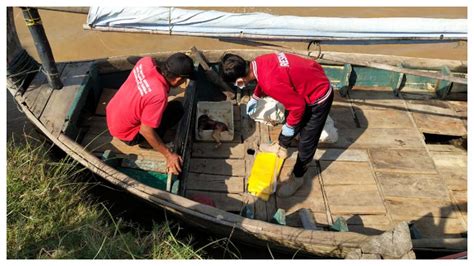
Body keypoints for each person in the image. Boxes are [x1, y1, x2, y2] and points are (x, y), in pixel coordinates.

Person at [220, 52, 333, 197]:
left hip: (319, 97)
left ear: (240, 81)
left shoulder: (270, 83)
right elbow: (263, 78)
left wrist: (290, 126)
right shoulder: (259, 60)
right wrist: (256, 96)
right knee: (292, 120)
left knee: (306, 140)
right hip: (309, 81)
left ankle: (298, 177)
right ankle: (281, 147)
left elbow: (298, 106)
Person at [106, 53, 197, 175]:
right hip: (127, 134)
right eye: (184, 80)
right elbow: (146, 130)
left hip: (111, 114)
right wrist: (169, 155)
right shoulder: (159, 95)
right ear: (178, 79)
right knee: (176, 109)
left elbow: (136, 59)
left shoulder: (146, 62)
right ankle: (146, 143)